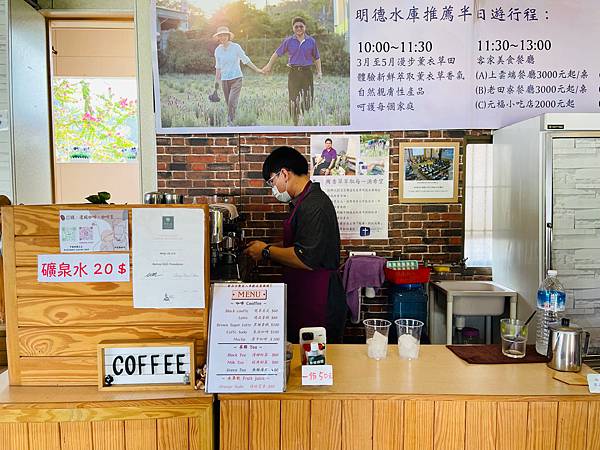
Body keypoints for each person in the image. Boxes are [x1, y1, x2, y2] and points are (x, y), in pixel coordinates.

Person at [244, 146, 347, 343]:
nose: (272, 188)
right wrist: (269, 245)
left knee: (317, 362)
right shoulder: (303, 201)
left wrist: (265, 251)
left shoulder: (313, 205)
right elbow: (302, 240)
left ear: (284, 173)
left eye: (272, 181)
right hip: (306, 294)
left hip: (319, 299)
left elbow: (305, 257)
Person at [263, 17, 322, 125]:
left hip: (307, 73)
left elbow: (317, 58)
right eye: (296, 26)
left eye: (301, 26)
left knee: (308, 98)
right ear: (293, 28)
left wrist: (319, 72)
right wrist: (268, 66)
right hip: (293, 73)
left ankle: (306, 121)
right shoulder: (288, 41)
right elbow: (277, 53)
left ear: (305, 27)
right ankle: (294, 122)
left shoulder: (311, 41)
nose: (299, 28)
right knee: (293, 98)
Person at [213, 26, 263, 126]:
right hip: (225, 80)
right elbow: (218, 67)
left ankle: (229, 123)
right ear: (218, 37)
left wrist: (257, 69)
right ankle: (234, 121)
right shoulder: (217, 50)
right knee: (229, 103)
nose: (223, 37)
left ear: (228, 36)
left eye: (225, 35)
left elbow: (245, 59)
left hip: (236, 78)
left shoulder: (236, 47)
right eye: (221, 35)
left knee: (232, 101)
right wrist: (216, 82)